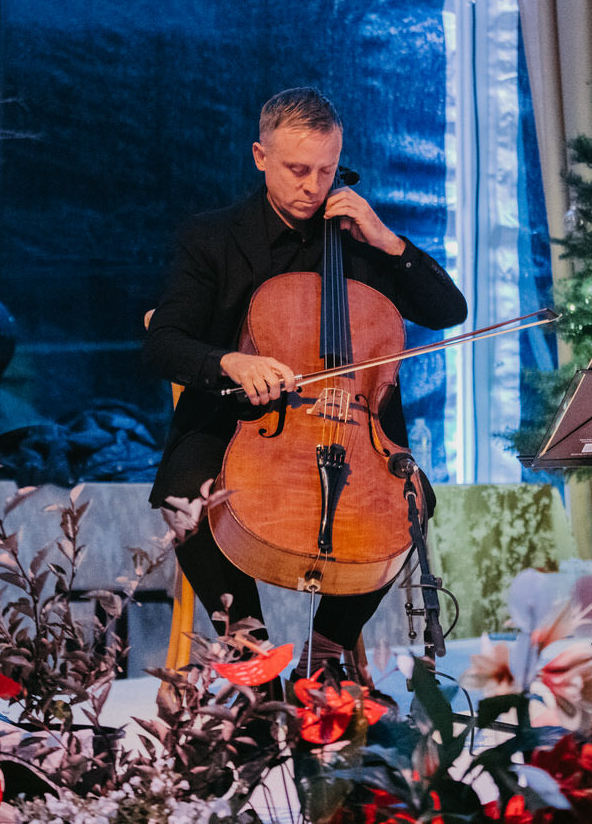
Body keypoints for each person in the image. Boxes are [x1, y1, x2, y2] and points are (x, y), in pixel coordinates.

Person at [143, 87, 467, 685]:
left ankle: (326, 656)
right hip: (234, 425)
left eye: (326, 170)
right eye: (297, 169)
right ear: (260, 156)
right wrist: (231, 362)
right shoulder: (212, 238)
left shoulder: (359, 240)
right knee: (187, 494)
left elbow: (449, 311)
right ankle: (254, 662)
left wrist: (388, 241)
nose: (312, 187)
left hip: (352, 431)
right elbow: (163, 341)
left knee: (410, 499)